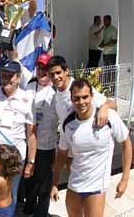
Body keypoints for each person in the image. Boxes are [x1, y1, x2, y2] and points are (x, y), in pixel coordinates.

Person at [50, 79, 132, 217]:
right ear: (71, 99)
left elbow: (126, 143)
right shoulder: (68, 124)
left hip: (96, 187)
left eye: (85, 97)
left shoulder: (108, 117)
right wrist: (55, 183)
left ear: (92, 97)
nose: (81, 102)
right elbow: (62, 154)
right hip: (74, 185)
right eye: (76, 98)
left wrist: (125, 178)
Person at [0, 60, 36, 217]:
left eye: (11, 76)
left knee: (8, 200)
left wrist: (30, 162)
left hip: (13, 161)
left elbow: (31, 134)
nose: (7, 79)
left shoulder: (28, 99)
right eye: (4, 75)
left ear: (18, 77)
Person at [22, 53, 57, 217]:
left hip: (46, 146)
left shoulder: (55, 91)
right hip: (28, 144)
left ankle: (42, 213)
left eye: (44, 68)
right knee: (29, 182)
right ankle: (28, 211)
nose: (41, 71)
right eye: (39, 67)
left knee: (44, 185)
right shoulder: (29, 85)